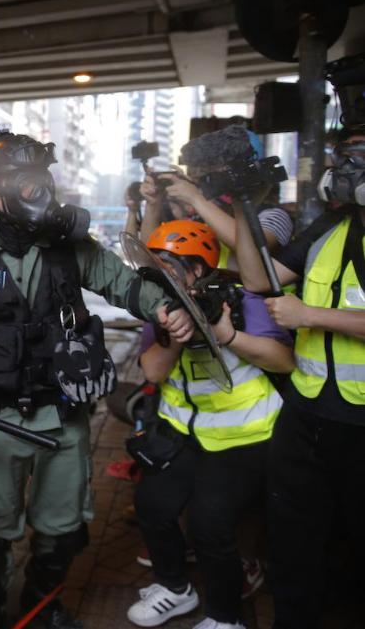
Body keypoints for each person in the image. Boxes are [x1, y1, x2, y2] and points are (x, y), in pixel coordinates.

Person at [0, 131, 190, 629]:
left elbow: (125, 286)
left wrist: (165, 309)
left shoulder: (72, 249)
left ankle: (40, 609)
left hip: (64, 418)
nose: (39, 192)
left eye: (41, 180)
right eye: (24, 182)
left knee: (62, 534)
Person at [127, 221, 294, 629]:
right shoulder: (160, 306)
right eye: (153, 263)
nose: (158, 272)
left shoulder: (243, 300)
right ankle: (175, 588)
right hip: (184, 434)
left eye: (167, 264)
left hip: (244, 437)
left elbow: (284, 361)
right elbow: (153, 372)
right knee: (152, 505)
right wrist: (178, 330)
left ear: (198, 268)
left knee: (209, 524)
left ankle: (225, 617)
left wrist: (227, 333)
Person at [232, 121, 365, 628]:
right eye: (343, 154)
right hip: (306, 411)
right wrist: (243, 206)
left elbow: (301, 309)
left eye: (359, 153)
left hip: (359, 423)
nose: (346, 166)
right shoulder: (330, 225)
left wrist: (310, 315)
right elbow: (257, 278)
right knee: (293, 541)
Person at [140, 125, 293, 268]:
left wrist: (196, 198)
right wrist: (153, 203)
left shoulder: (274, 217)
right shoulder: (204, 217)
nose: (205, 182)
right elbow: (153, 255)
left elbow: (252, 246)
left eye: (211, 175)